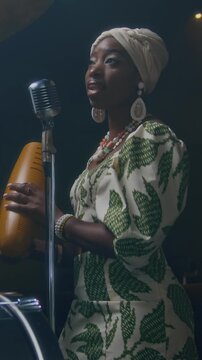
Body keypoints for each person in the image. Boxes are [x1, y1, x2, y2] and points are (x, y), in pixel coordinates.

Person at [3, 27, 198, 359]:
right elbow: (92, 249)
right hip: (87, 322)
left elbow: (134, 243)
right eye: (91, 61)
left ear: (140, 77)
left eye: (112, 61)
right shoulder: (104, 151)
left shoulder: (152, 139)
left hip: (138, 319)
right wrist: (38, 248)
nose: (94, 70)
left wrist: (53, 214)